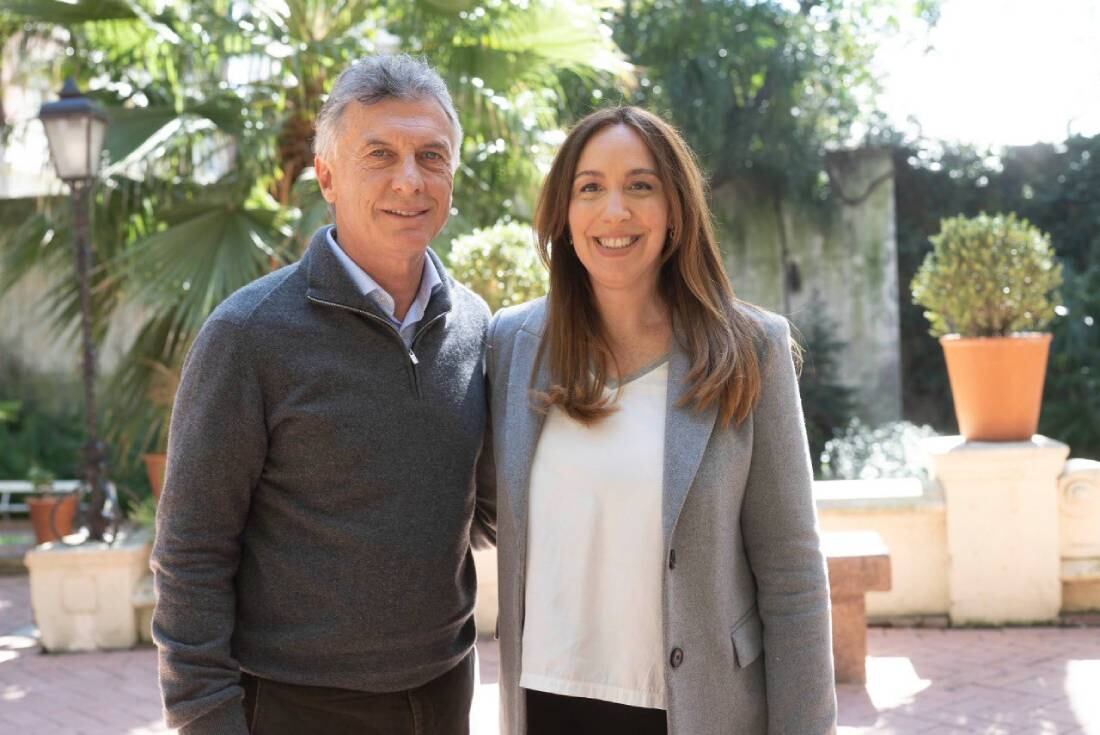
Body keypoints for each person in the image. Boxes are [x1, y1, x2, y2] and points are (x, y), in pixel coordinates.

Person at [151, 54, 495, 735]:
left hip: (446, 695)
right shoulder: (248, 336)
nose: (410, 179)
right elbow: (191, 551)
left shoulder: (478, 325)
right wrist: (206, 720)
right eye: (380, 154)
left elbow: (483, 512)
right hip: (294, 707)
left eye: (432, 155)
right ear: (328, 176)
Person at [485, 106, 837, 735]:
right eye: (589, 187)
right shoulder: (511, 345)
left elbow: (793, 575)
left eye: (640, 186)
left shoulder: (750, 348)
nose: (614, 211)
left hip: (699, 707)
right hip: (546, 704)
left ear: (675, 210)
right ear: (563, 215)